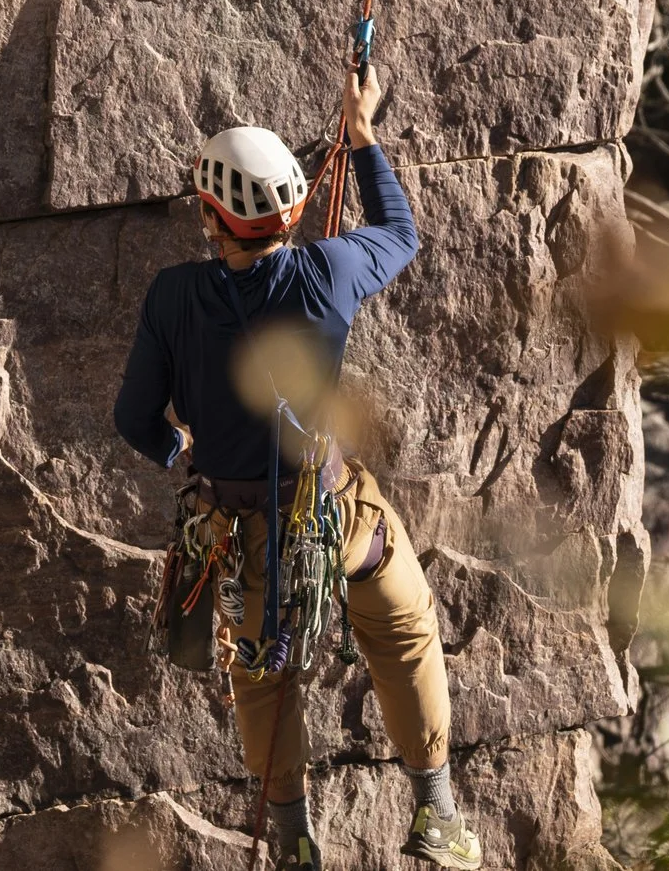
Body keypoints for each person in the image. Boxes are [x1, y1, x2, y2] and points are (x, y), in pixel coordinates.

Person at [111, 74, 483, 871]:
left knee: (262, 677)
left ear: (213, 216)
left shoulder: (172, 296)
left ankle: (292, 841)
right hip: (336, 515)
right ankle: (438, 812)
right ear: (285, 210)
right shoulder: (330, 271)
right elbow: (401, 230)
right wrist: (361, 133)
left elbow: (132, 420)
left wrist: (184, 452)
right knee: (405, 628)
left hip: (241, 534)